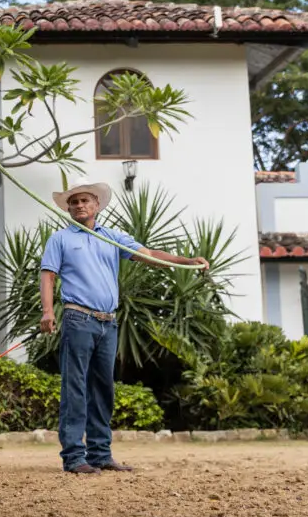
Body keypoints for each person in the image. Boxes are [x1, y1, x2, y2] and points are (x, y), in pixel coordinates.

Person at [39, 182, 208, 475]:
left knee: (103, 388)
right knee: (75, 387)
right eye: (74, 202)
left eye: (85, 201)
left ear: (97, 206)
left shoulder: (113, 238)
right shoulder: (61, 239)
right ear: (69, 209)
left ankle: (101, 454)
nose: (79, 205)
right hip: (78, 319)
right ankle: (74, 457)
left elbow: (149, 254)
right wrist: (48, 311)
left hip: (108, 321)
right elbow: (48, 275)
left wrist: (187, 261)